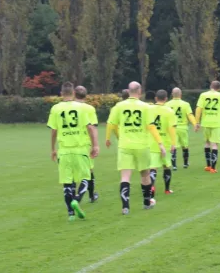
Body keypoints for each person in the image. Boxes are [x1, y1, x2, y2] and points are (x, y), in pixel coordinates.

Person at [106, 81, 168, 215]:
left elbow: (111, 124)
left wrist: (108, 138)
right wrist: (160, 144)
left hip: (125, 145)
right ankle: (147, 202)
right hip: (142, 145)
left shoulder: (119, 106)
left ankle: (125, 207)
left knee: (125, 176)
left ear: (128, 92)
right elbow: (151, 126)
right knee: (145, 174)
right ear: (140, 92)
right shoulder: (146, 107)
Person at [47, 82, 99, 221]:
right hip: (80, 149)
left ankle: (70, 214)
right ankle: (77, 199)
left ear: (61, 93)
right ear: (74, 93)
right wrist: (95, 145)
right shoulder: (81, 108)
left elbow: (53, 131)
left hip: (64, 150)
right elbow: (90, 128)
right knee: (86, 178)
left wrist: (53, 149)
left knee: (67, 183)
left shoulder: (55, 108)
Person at [148, 90, 177, 198]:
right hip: (165, 142)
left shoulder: (149, 109)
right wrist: (173, 143)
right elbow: (172, 128)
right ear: (166, 99)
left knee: (153, 167)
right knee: (166, 166)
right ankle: (167, 189)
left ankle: (151, 188)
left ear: (156, 98)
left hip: (152, 142)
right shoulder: (169, 111)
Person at [74, 86, 100, 203]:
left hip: (69, 142)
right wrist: (96, 145)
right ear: (86, 95)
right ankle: (81, 197)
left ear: (74, 94)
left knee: (72, 172)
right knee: (88, 170)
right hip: (85, 142)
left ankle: (91, 196)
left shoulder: (69, 107)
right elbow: (93, 127)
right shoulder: (89, 108)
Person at [195, 81, 220, 173]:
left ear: (210, 86)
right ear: (219, 88)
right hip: (216, 122)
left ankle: (208, 165)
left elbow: (198, 108)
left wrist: (197, 122)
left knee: (207, 143)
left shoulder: (203, 95)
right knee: (214, 145)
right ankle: (213, 167)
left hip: (206, 122)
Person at [166, 88, 197, 169]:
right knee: (185, 146)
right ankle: (185, 163)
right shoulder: (185, 104)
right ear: (181, 94)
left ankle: (174, 165)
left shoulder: (167, 104)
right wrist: (195, 124)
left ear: (172, 94)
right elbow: (190, 115)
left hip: (172, 128)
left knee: (173, 146)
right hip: (183, 128)